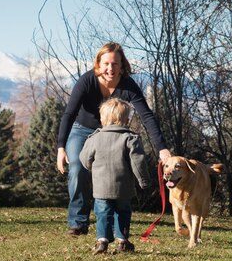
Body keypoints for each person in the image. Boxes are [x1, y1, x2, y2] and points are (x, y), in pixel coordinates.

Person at [56, 41, 171, 235]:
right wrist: (61, 147)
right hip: (82, 129)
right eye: (106, 63)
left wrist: (162, 148)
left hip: (113, 133)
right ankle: (78, 221)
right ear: (98, 64)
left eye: (115, 64)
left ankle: (117, 222)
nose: (110, 68)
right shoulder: (86, 81)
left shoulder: (128, 85)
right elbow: (69, 113)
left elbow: (146, 116)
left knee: (118, 171)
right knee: (77, 167)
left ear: (122, 65)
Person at [79, 97, 152, 254]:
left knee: (103, 213)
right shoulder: (130, 138)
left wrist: (92, 167)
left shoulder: (95, 138)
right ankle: (122, 241)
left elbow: (84, 159)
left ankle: (102, 241)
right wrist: (144, 181)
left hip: (101, 188)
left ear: (103, 119)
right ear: (126, 120)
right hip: (123, 188)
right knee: (123, 212)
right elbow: (138, 163)